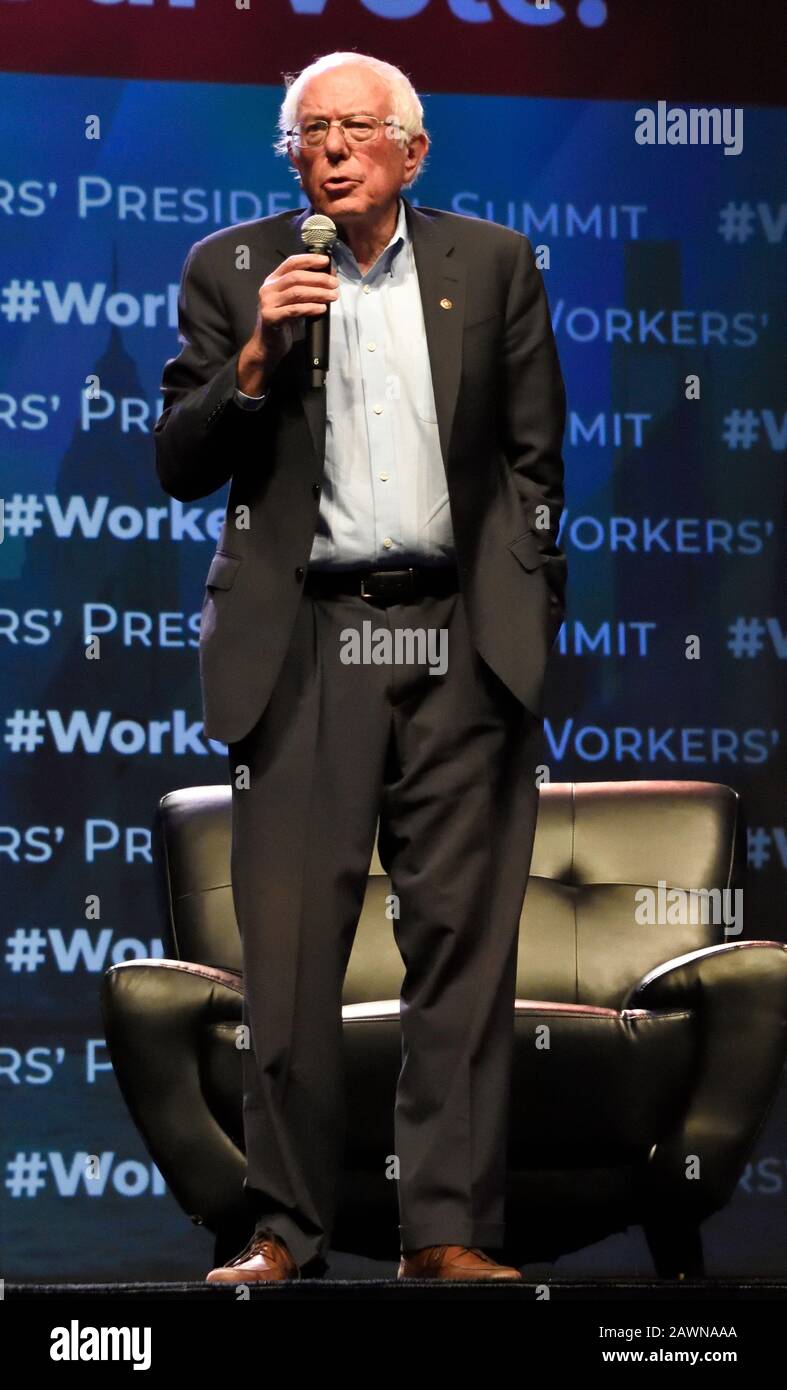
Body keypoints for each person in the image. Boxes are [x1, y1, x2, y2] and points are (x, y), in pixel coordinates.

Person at [154, 50, 567, 1283]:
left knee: (461, 955)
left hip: (454, 637)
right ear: (289, 155)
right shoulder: (232, 271)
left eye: (355, 130)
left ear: (411, 149)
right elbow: (179, 457)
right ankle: (283, 1229)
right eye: (308, 133)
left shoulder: (491, 265)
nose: (330, 150)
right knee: (285, 959)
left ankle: (444, 1232)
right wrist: (252, 364)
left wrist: (525, 608)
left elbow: (536, 463)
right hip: (307, 646)